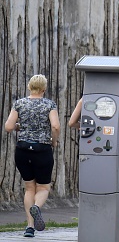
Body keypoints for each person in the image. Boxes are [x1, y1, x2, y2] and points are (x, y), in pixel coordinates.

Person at [4, 75, 60, 238]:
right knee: (43, 187)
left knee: (29, 187)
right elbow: (55, 126)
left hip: (22, 150)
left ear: (29, 87)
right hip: (42, 149)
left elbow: (8, 126)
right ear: (44, 89)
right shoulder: (49, 104)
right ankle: (37, 206)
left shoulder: (19, 103)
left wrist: (20, 127)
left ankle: (29, 227)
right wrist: (54, 142)